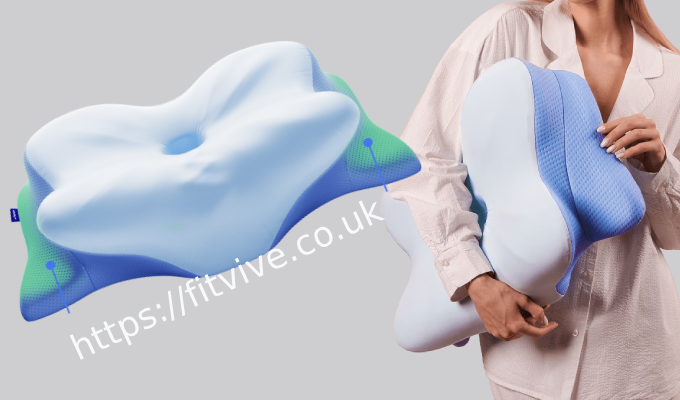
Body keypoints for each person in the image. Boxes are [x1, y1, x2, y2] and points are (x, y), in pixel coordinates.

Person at [387, 0, 680, 398]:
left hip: (638, 360)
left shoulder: (672, 74)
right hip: (526, 360)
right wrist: (474, 278)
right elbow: (421, 161)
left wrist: (659, 168)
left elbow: (672, 235)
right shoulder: (507, 30)